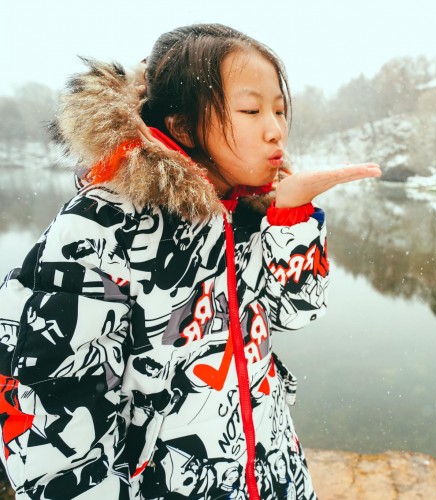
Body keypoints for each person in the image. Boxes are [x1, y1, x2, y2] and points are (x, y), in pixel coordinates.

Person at [0, 23, 380, 499]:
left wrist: (292, 214)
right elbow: (43, 395)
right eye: (251, 109)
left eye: (280, 110)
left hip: (276, 476)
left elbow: (296, 311)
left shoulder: (249, 211)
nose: (275, 129)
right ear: (182, 125)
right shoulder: (106, 225)